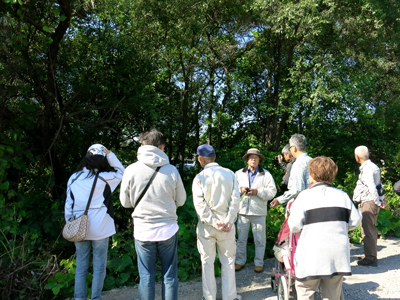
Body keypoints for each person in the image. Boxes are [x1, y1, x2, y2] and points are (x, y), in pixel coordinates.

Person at [119, 129, 186, 300]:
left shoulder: (131, 170)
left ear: (142, 145)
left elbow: (125, 203)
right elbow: (181, 200)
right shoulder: (171, 170)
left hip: (143, 230)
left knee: (146, 277)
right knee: (169, 275)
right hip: (168, 229)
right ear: (161, 146)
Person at [288, 156, 362, 299]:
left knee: (305, 291)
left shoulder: (304, 196)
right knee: (333, 294)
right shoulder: (343, 196)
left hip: (311, 254)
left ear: (311, 175)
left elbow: (294, 226)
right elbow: (356, 220)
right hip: (337, 255)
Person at [65, 144, 125, 300]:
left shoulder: (74, 177)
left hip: (79, 228)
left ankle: (79, 298)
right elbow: (122, 172)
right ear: (102, 160)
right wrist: (110, 154)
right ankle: (95, 298)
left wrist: (71, 223)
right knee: (99, 267)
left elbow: (68, 205)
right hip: (100, 228)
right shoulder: (105, 178)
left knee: (81, 266)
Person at [192, 144, 241, 300]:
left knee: (207, 262)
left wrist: (213, 222)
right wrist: (229, 220)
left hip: (207, 227)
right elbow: (236, 200)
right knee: (228, 261)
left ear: (200, 159)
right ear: (214, 157)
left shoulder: (199, 177)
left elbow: (200, 206)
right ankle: (230, 296)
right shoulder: (230, 174)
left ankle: (209, 297)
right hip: (226, 226)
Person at [234, 148, 277, 273]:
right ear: (247, 160)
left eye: (256, 157)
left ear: (259, 159)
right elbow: (232, 190)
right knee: (241, 239)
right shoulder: (238, 174)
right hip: (242, 211)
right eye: (251, 157)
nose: (253, 159)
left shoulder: (266, 174)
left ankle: (259, 263)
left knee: (260, 240)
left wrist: (258, 192)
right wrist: (240, 190)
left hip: (259, 212)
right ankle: (239, 261)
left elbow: (272, 192)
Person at [353, 145, 386, 266]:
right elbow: (379, 186)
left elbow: (372, 187)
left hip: (368, 202)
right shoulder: (374, 167)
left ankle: (371, 258)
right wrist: (380, 199)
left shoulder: (366, 169)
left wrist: (377, 201)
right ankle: (369, 254)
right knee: (370, 228)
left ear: (357, 157)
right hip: (371, 202)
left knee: (367, 230)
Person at [270, 134, 312, 208]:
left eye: (290, 147)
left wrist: (279, 199)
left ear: (294, 148)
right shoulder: (312, 161)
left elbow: (296, 189)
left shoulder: (298, 164)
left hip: (303, 205)